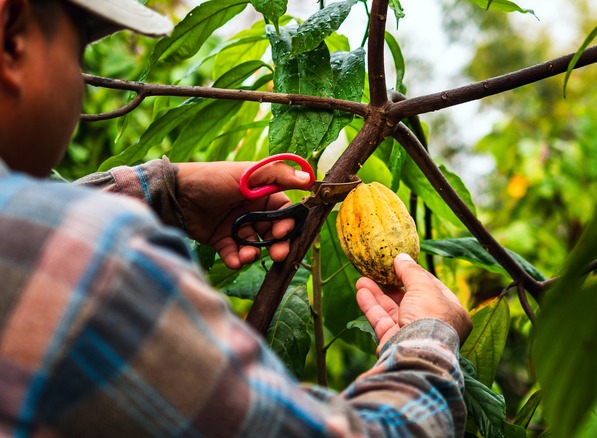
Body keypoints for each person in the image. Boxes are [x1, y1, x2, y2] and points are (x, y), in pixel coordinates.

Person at [0, 0, 473, 436]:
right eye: (78, 51)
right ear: (10, 32)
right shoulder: (87, 256)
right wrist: (429, 343)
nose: (82, 84)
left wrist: (167, 191)